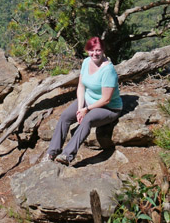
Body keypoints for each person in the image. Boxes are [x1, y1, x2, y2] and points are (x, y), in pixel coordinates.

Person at [46, 36, 122, 166]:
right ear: (87, 51)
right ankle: (52, 152)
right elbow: (81, 86)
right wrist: (80, 108)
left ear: (103, 50)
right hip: (88, 101)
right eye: (92, 50)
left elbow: (106, 99)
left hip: (108, 108)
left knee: (87, 120)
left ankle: (67, 155)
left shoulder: (108, 71)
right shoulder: (86, 62)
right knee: (65, 116)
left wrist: (86, 110)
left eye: (98, 50)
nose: (95, 53)